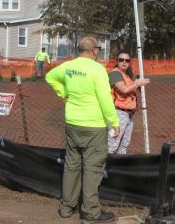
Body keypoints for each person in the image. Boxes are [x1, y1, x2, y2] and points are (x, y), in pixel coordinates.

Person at [46, 37, 119, 223]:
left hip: (72, 122)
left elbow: (50, 77)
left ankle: (66, 207)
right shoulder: (97, 69)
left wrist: (64, 92)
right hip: (93, 125)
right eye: (98, 48)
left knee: (72, 165)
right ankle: (90, 213)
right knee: (92, 169)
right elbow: (105, 98)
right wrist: (114, 121)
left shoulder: (68, 66)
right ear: (94, 50)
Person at [108, 52, 150, 154]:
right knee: (112, 144)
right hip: (118, 113)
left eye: (127, 60)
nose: (124, 62)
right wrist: (137, 83)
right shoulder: (115, 74)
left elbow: (131, 89)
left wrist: (138, 86)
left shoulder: (126, 75)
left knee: (124, 145)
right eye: (121, 60)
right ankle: (105, 168)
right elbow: (124, 90)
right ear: (117, 61)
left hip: (128, 114)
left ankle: (118, 168)